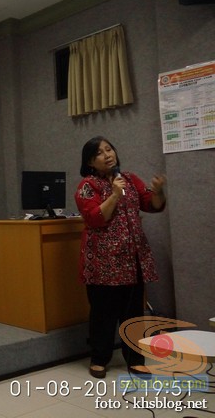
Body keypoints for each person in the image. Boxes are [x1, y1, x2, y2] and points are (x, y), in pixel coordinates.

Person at [75, 136, 166, 379]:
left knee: (133, 313)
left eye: (109, 149)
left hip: (133, 259)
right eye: (99, 152)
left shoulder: (130, 179)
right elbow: (95, 218)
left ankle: (135, 360)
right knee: (103, 313)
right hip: (103, 261)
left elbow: (152, 205)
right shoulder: (88, 186)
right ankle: (99, 358)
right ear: (90, 162)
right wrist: (114, 195)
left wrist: (158, 191)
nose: (107, 154)